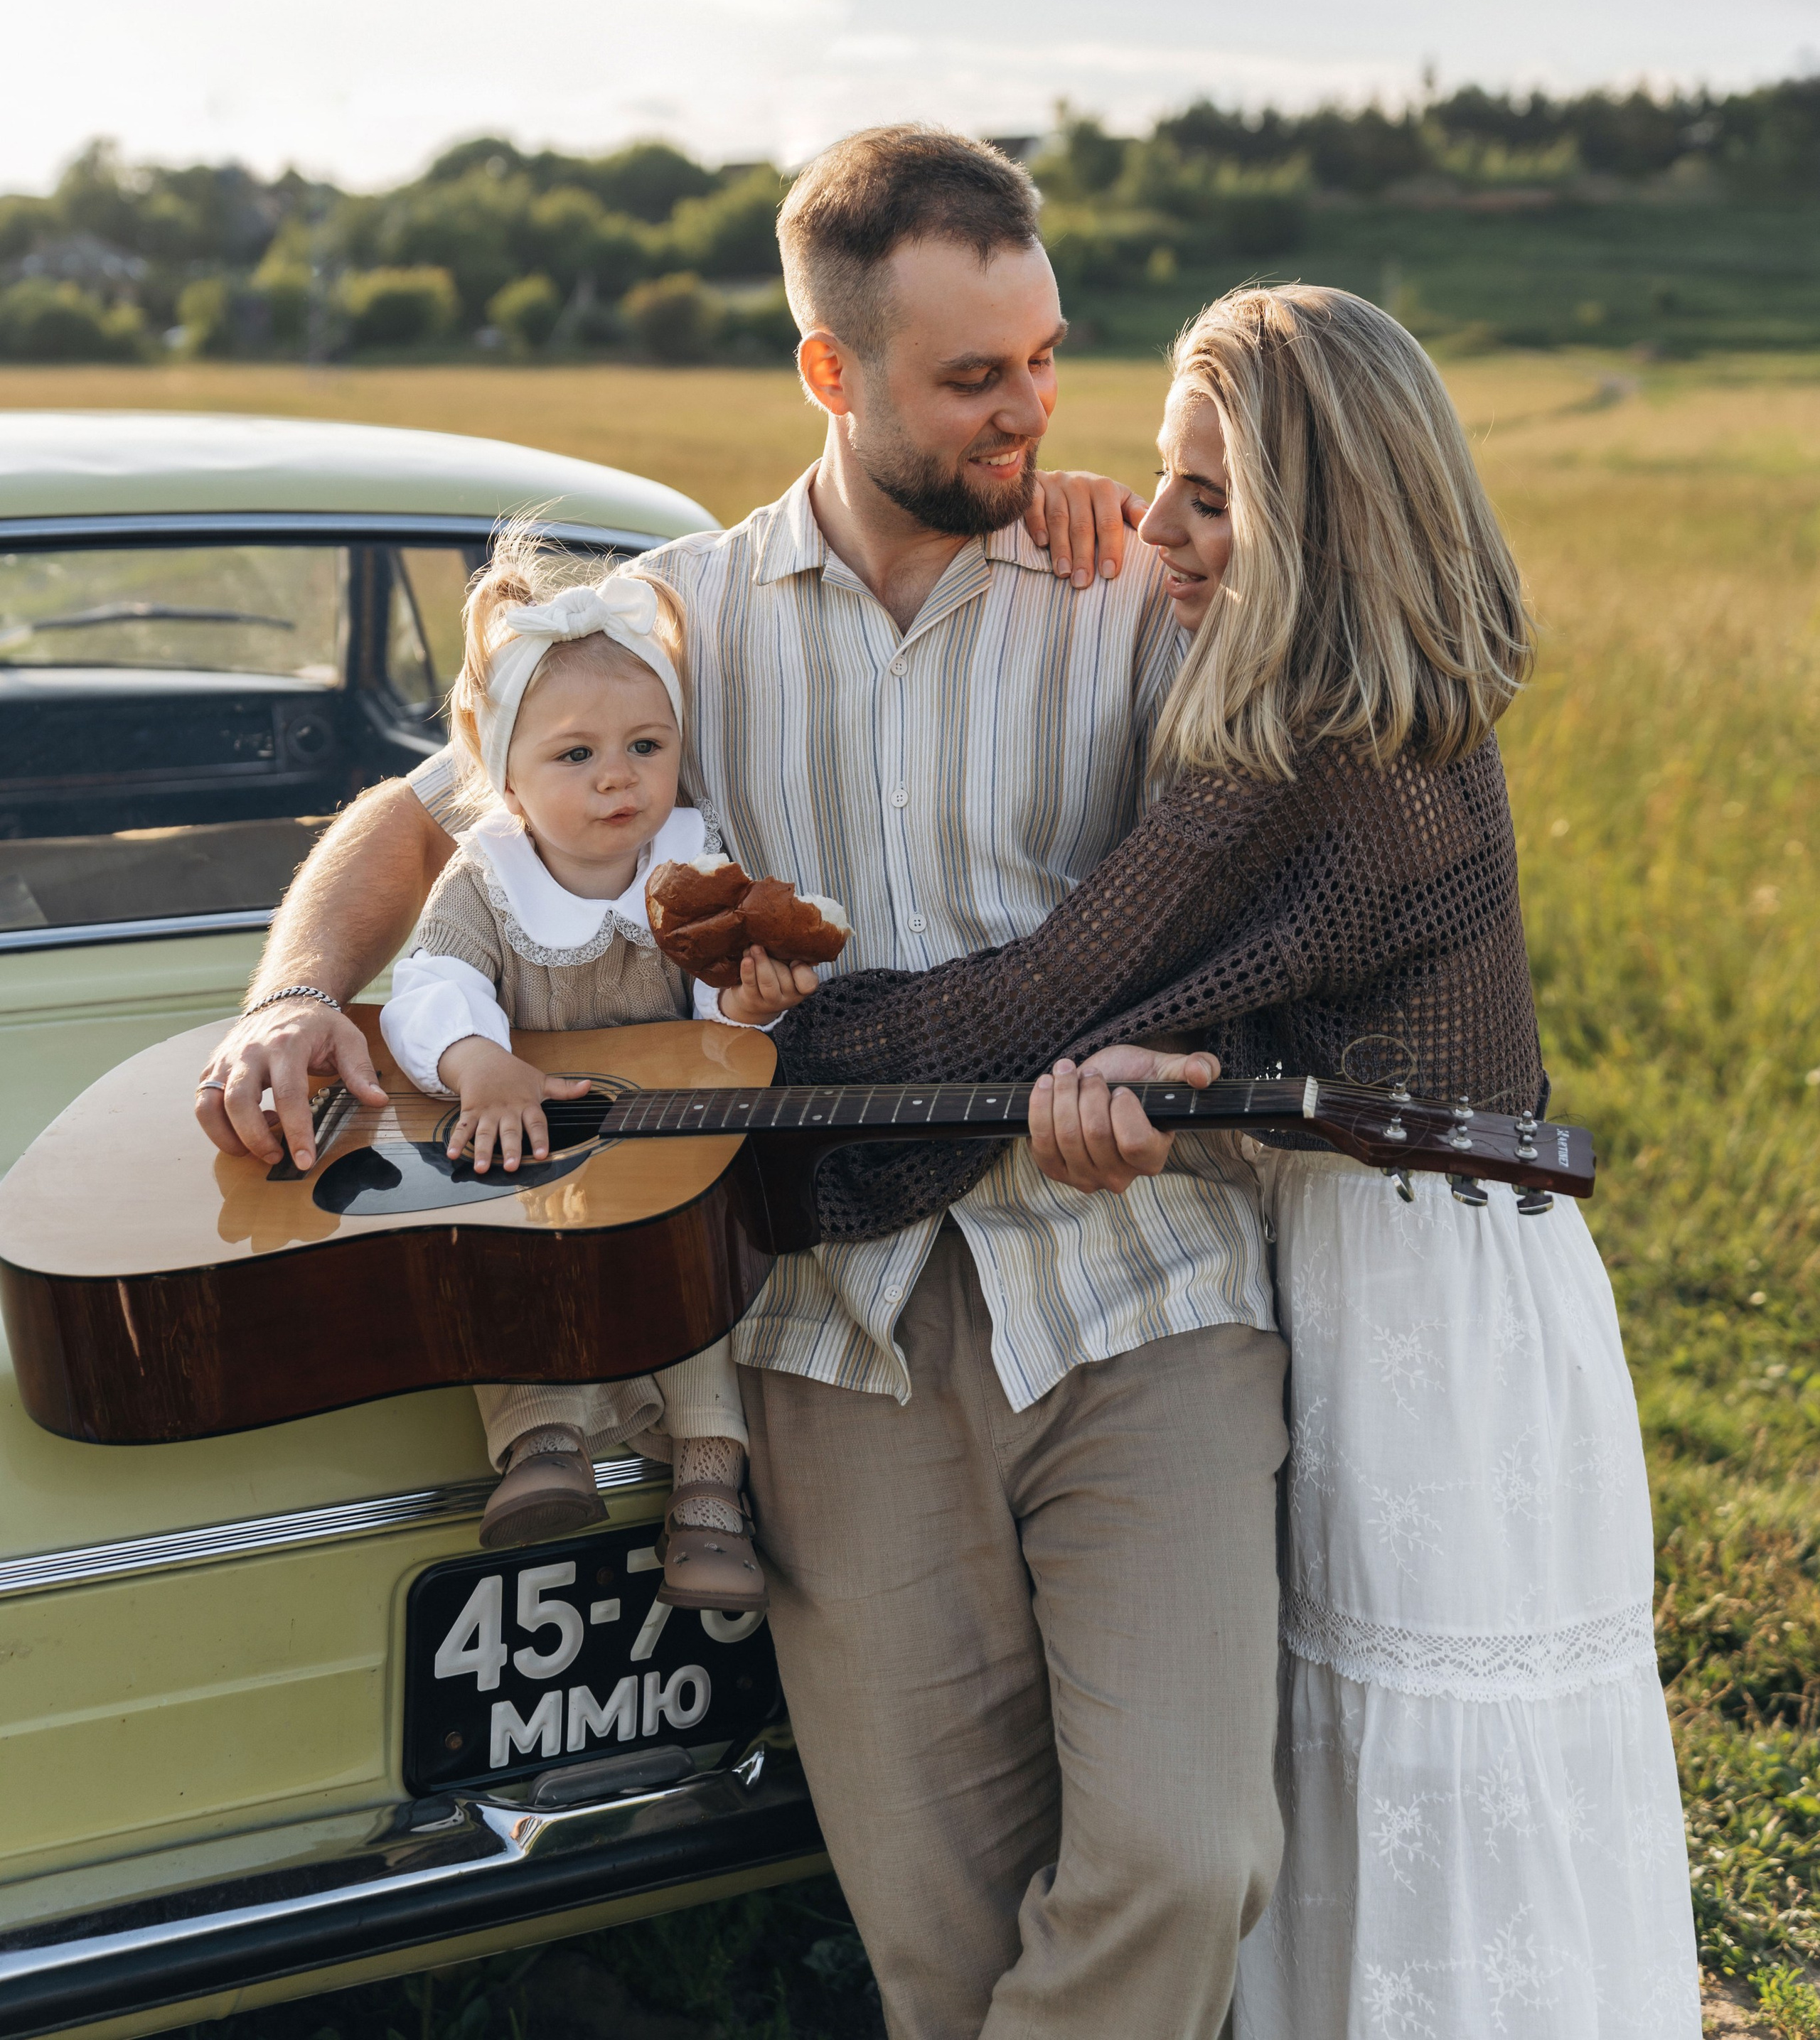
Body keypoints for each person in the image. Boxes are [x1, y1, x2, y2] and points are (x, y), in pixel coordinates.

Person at [196, 124, 1286, 2040]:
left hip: (1143, 1297)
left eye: (1045, 360)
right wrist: (294, 995)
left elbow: (1329, 789)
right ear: (830, 373)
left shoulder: (1132, 589)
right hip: (823, 1345)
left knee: (1193, 1858)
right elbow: (418, 811)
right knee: (939, 1933)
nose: (1028, 414)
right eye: (972, 379)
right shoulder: (678, 626)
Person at [772, 284, 1703, 2040]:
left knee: (1403, 1785)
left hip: (1414, 1317)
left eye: (1211, 501)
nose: (1164, 537)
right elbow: (1254, 1029)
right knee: (1398, 1797)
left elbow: (1058, 987)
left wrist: (771, 1090)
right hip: (1445, 1271)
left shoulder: (1301, 759)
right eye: (1158, 482)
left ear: (1320, 520)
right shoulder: (1388, 701)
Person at [380, 533, 823, 1594]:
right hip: (533, 1148)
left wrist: (746, 1001)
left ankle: (710, 1492)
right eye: (575, 756)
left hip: (664, 1160)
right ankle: (544, 1447)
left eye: (646, 747)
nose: (617, 780)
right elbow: (431, 985)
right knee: (501, 1273)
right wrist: (477, 1063)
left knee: (702, 1289)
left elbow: (714, 1001)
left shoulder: (689, 866)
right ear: (505, 773)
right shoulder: (488, 879)